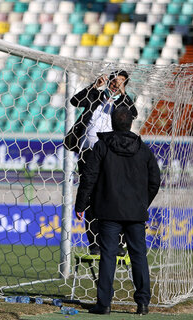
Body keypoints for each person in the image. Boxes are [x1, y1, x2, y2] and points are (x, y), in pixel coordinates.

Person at [74, 106, 161, 315]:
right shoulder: (143, 149)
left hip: (108, 211)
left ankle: (104, 304)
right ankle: (142, 303)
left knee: (108, 256)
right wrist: (142, 203)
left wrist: (81, 205)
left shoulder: (101, 147)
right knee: (138, 256)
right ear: (131, 123)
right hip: (135, 213)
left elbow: (89, 177)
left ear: (112, 122)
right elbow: (155, 181)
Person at [70, 70, 138, 255]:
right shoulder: (96, 95)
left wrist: (123, 93)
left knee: (112, 197)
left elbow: (134, 113)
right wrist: (94, 85)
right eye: (114, 80)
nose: (116, 84)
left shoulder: (122, 105)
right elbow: (75, 102)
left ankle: (116, 243)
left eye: (121, 82)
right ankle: (94, 244)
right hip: (87, 152)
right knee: (89, 197)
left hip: (110, 154)